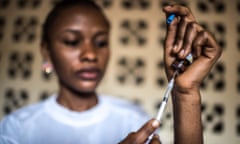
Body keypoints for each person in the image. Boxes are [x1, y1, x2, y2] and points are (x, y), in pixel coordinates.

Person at [0, 0, 222, 144]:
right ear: (46, 52)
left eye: (101, 42)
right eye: (71, 41)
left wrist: (185, 92)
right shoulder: (16, 128)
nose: (90, 54)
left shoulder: (133, 120)